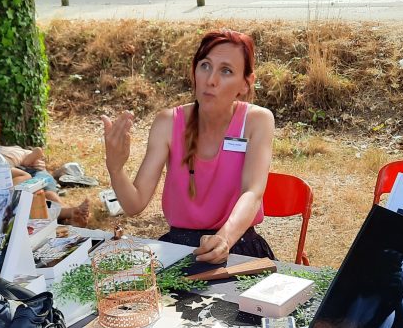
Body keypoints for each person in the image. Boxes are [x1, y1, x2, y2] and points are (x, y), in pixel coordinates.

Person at [101, 29, 275, 263]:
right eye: (205, 66)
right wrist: (115, 168)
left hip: (238, 244)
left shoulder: (257, 121)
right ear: (194, 71)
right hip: (179, 247)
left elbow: (252, 192)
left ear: (246, 83)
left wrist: (224, 238)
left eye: (226, 71)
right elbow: (134, 204)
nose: (211, 80)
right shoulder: (167, 122)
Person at [0, 106, 90, 226]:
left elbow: (35, 155)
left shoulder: (11, 149)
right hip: (17, 177)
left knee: (49, 194)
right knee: (41, 196)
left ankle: (70, 218)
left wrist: (37, 160)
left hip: (35, 172)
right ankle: (70, 215)